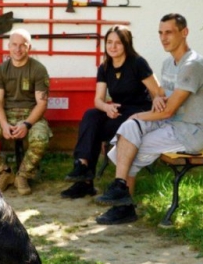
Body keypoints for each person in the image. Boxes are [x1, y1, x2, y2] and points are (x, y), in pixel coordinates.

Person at [94, 13, 203, 225]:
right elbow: (162, 95)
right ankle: (121, 189)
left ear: (184, 32)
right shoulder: (169, 63)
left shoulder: (192, 65)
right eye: (160, 33)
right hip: (171, 123)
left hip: (189, 131)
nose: (164, 38)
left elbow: (169, 111)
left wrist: (141, 114)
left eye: (169, 32)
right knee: (131, 128)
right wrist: (158, 98)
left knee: (133, 140)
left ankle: (123, 206)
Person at [60, 25, 162, 199]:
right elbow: (98, 100)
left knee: (95, 128)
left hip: (138, 114)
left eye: (118, 43)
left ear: (126, 44)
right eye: (109, 42)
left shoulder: (137, 63)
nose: (113, 47)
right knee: (91, 116)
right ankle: (82, 168)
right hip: (118, 110)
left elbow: (158, 91)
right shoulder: (105, 67)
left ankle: (85, 183)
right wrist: (107, 107)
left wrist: (158, 98)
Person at [0, 29, 52, 195]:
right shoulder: (1, 70)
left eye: (22, 45)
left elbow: (42, 103)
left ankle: (23, 175)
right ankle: (4, 170)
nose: (18, 49)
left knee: (40, 138)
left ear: (29, 47)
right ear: (8, 46)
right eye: (14, 45)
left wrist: (27, 124)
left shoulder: (38, 69)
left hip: (32, 115)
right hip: (6, 115)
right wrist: (4, 124)